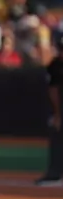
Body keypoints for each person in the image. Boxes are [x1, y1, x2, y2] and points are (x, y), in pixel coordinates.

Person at [35, 36, 63, 186]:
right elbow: (54, 90)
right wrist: (58, 114)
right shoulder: (56, 65)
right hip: (61, 108)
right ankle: (55, 174)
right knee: (57, 135)